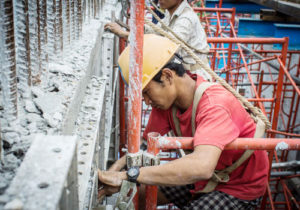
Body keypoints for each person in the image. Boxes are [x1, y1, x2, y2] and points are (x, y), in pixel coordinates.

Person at [98, 34, 269, 209]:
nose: (147, 101)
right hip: (210, 175)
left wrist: (129, 175)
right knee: (138, 198)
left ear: (168, 76)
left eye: (147, 92)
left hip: (239, 186)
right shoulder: (167, 104)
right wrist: (114, 172)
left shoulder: (214, 105)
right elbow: (143, 147)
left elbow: (202, 166)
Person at [104, 0, 212, 80]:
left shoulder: (186, 19)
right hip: (183, 72)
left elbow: (165, 48)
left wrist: (123, 34)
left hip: (195, 77)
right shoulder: (171, 13)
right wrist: (137, 25)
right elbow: (156, 31)